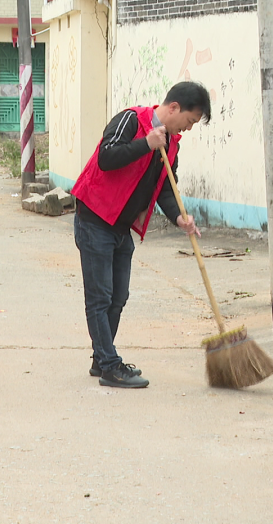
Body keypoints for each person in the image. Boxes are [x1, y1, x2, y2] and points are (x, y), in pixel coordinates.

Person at [71, 81, 211, 389]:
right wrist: (145, 144)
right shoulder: (131, 120)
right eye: (189, 121)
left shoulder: (171, 144)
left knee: (118, 296)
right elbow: (106, 158)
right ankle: (109, 366)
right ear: (174, 108)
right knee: (100, 296)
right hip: (95, 217)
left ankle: (100, 358)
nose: (187, 129)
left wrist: (180, 217)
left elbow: (165, 188)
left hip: (121, 226)